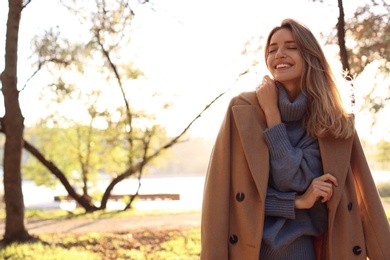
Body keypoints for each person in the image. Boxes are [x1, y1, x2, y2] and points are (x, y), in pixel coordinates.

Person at [200, 18, 390, 260]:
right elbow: (224, 195)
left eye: (291, 47)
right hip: (246, 250)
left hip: (302, 250)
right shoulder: (242, 110)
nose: (279, 54)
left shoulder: (333, 121)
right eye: (272, 49)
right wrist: (299, 202)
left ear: (310, 56)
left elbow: (293, 178)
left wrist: (273, 117)